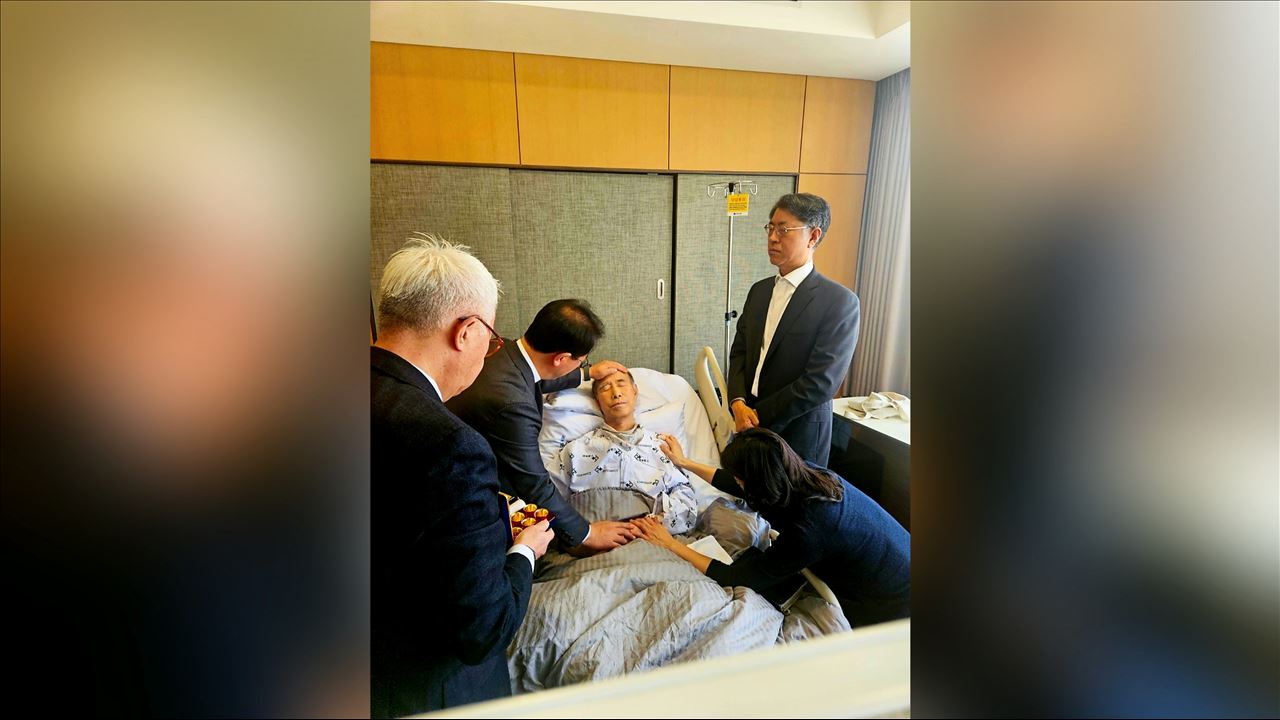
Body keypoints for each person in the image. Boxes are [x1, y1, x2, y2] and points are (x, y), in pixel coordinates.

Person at [371, 235, 555, 717]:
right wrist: (524, 550)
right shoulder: (450, 445)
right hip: (417, 687)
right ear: (468, 331)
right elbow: (483, 629)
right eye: (491, 341)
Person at [633, 428, 910, 629]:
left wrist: (671, 544)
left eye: (741, 480)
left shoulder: (809, 530)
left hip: (891, 604)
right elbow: (736, 483)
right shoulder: (801, 471)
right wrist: (684, 462)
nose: (737, 484)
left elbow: (739, 577)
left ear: (757, 484)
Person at [448, 299, 638, 553]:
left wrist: (586, 373)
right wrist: (586, 533)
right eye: (582, 361)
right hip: (465, 492)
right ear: (561, 358)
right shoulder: (513, 406)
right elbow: (533, 483)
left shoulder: (500, 349)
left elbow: (534, 378)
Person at [727, 192, 860, 466]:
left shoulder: (839, 302)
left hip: (797, 432)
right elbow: (739, 352)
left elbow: (820, 382)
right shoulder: (759, 291)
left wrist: (757, 416)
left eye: (784, 230)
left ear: (813, 236)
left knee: (791, 495)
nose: (772, 238)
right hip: (748, 421)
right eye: (771, 228)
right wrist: (738, 403)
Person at [556, 369, 700, 534]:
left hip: (651, 537)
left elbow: (688, 506)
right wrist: (586, 532)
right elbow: (547, 498)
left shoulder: (664, 449)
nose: (616, 393)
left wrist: (655, 523)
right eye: (605, 388)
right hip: (591, 539)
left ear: (635, 391)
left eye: (621, 384)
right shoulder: (576, 451)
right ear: (597, 401)